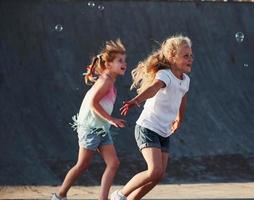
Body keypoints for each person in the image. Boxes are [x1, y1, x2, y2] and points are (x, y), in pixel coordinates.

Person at [111, 35, 193, 200]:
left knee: (159, 175)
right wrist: (136, 100)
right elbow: (154, 88)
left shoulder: (186, 80)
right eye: (185, 56)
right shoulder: (165, 75)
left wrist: (179, 119)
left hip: (164, 132)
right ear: (172, 57)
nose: (190, 59)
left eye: (191, 55)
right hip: (147, 128)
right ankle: (119, 195)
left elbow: (183, 100)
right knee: (154, 170)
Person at [52, 39, 127, 200]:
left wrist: (108, 121)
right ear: (108, 64)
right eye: (120, 61)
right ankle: (59, 196)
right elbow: (93, 103)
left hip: (101, 128)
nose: (124, 63)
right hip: (90, 128)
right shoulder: (106, 81)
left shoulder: (109, 80)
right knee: (82, 164)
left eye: (124, 60)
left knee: (113, 163)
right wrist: (112, 119)